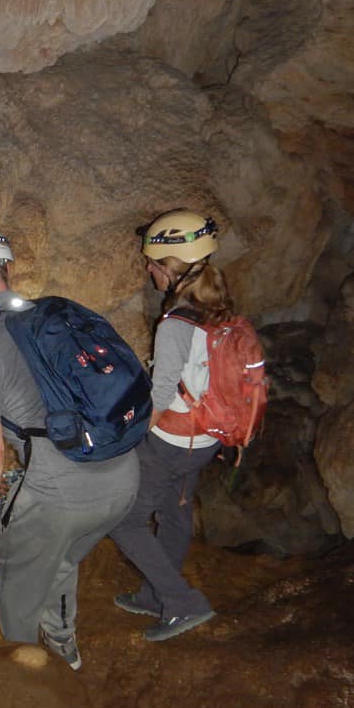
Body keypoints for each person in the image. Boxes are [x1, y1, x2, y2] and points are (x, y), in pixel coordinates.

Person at [0, 223, 140, 670]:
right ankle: (65, 648)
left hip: (61, 490)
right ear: (7, 268)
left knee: (13, 572)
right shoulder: (61, 316)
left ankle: (24, 675)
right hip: (123, 475)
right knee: (61, 558)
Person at [109, 209, 233, 641]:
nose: (148, 270)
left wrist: (133, 436)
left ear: (171, 268)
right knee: (175, 511)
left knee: (125, 520)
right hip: (207, 437)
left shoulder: (176, 322)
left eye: (153, 264)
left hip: (175, 439)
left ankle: (181, 603)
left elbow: (161, 394)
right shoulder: (216, 304)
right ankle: (153, 595)